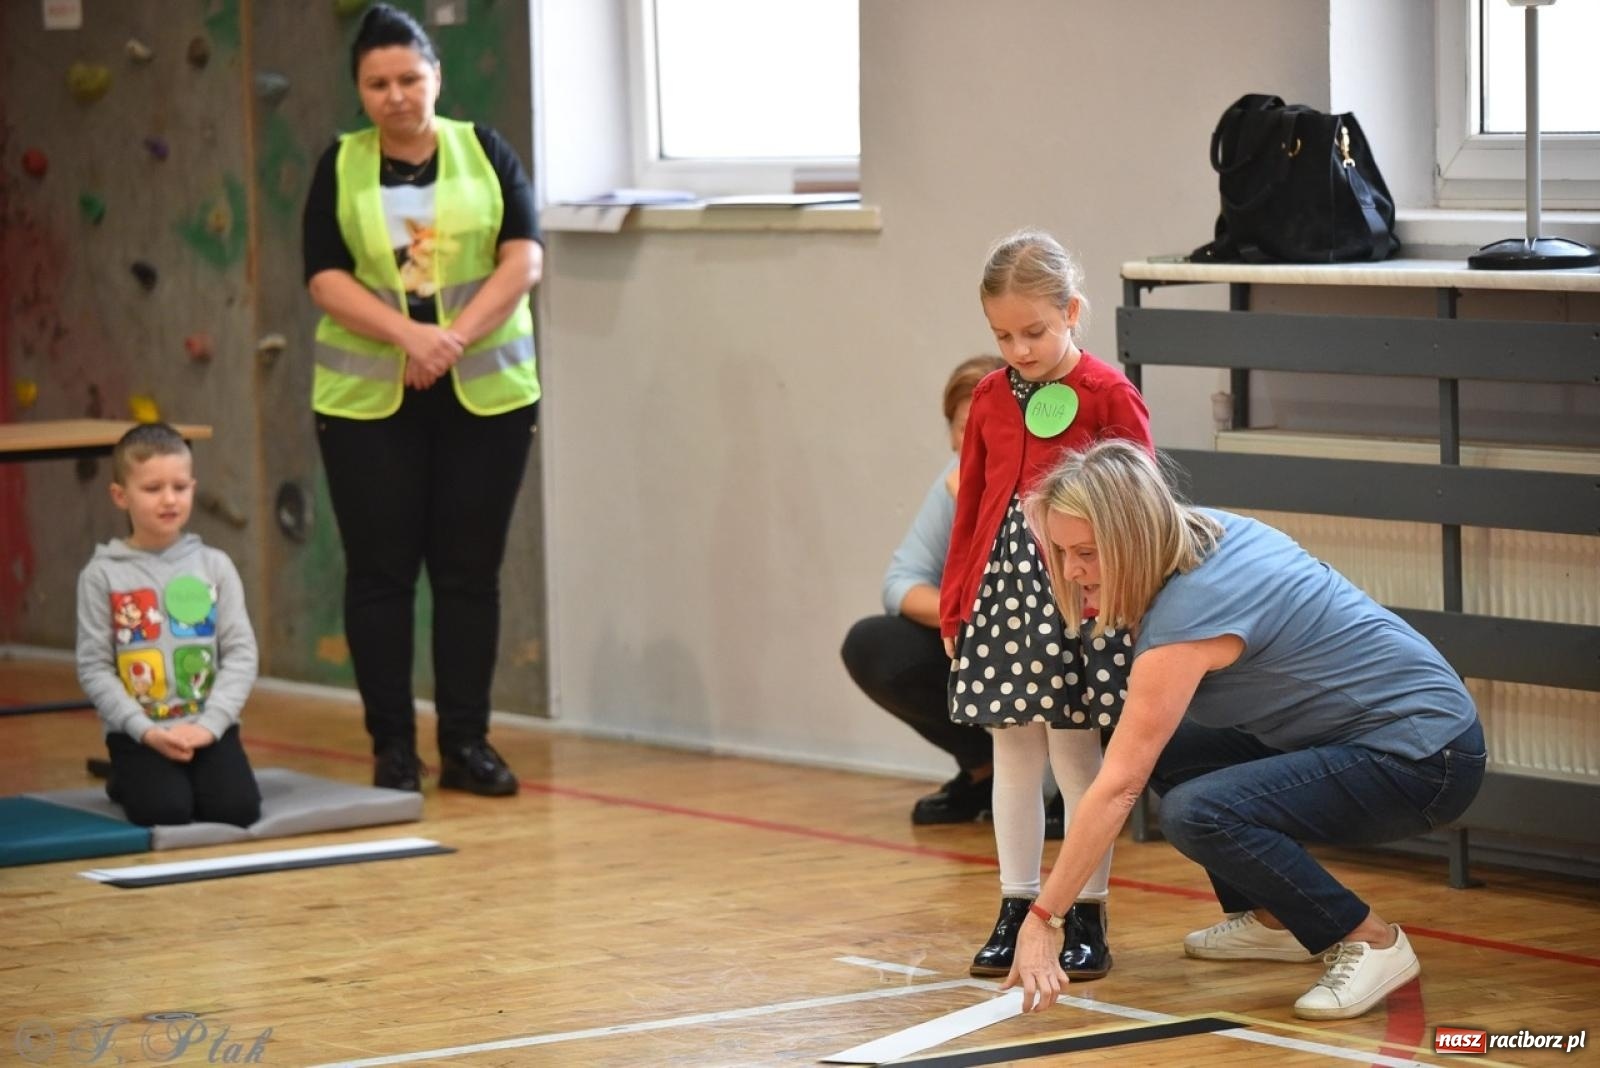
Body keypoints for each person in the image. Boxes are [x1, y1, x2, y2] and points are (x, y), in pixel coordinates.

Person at [1003, 439, 1485, 1020]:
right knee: (1177, 753)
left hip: (1425, 758)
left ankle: (1370, 940)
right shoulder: (1203, 530)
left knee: (1196, 811)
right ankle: (1277, 920)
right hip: (1373, 733)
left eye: (1088, 552)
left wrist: (1043, 918)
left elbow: (1119, 788)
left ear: (1133, 538)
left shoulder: (1188, 617)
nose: (1074, 571)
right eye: (1062, 552)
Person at [301, 4, 543, 795]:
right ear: (359, 91)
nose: (396, 94)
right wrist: (411, 340)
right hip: (370, 401)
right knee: (381, 575)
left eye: (409, 77)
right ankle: (393, 749)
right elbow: (325, 277)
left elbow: (522, 261)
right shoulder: (339, 165)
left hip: (483, 396)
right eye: (378, 83)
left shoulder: (486, 151)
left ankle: (467, 746)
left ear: (436, 76)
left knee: (469, 576)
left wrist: (452, 341)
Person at [941, 230, 1153, 982]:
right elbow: (971, 509)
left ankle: (1085, 910)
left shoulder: (1107, 393)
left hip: (1079, 595)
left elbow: (1140, 506)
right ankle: (1015, 902)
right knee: (1013, 751)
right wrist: (956, 602)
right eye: (1002, 335)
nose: (1018, 349)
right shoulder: (993, 397)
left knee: (1076, 751)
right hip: (1002, 595)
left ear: (1072, 312)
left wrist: (1117, 600)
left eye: (1033, 331)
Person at [75, 424, 262, 828]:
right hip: (140, 733)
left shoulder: (215, 565)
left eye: (180, 486)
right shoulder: (101, 575)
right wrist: (144, 730)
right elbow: (94, 667)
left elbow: (241, 653)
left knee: (238, 810)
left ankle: (196, 771)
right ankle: (125, 777)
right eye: (153, 488)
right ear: (120, 496)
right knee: (166, 811)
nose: (169, 499)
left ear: (193, 487)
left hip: (207, 726)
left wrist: (211, 726)